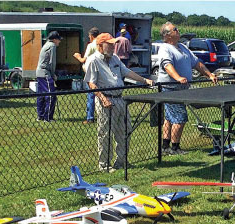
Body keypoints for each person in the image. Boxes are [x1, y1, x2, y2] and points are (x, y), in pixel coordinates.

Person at [84, 33, 154, 172]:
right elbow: (91, 83)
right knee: (105, 134)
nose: (112, 46)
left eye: (113, 44)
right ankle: (104, 165)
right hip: (106, 100)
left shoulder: (115, 58)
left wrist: (145, 80)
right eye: (109, 44)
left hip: (120, 99)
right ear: (100, 45)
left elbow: (127, 72)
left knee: (125, 131)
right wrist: (103, 99)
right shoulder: (93, 60)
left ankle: (121, 161)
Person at [157, 22, 218, 155]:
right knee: (180, 117)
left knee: (169, 117)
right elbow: (167, 66)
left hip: (182, 88)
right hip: (170, 88)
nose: (178, 31)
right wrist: (178, 77)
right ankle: (174, 148)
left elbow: (196, 63)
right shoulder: (165, 48)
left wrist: (209, 74)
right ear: (167, 35)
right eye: (175, 29)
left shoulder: (183, 47)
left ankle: (165, 146)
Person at [73, 27, 100, 124]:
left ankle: (90, 117)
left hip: (91, 73)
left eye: (89, 36)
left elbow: (83, 60)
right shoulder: (101, 44)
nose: (89, 37)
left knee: (91, 95)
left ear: (92, 36)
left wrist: (77, 56)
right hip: (100, 72)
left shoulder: (91, 45)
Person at [36, 31, 62, 122]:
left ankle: (40, 115)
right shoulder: (52, 46)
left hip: (39, 72)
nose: (59, 42)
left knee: (41, 95)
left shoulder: (46, 44)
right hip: (45, 73)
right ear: (54, 39)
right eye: (58, 40)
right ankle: (48, 117)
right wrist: (53, 74)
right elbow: (52, 62)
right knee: (51, 95)